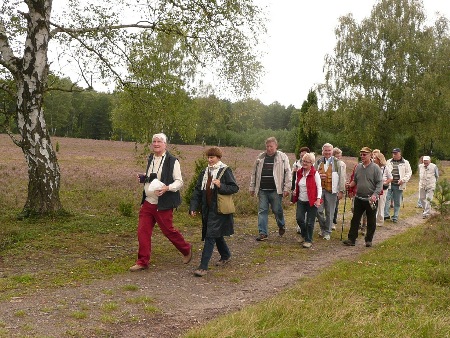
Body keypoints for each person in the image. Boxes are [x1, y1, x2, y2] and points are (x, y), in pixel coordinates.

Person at [129, 133, 192, 272]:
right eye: (154, 141)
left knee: (168, 231)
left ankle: (186, 249)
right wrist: (144, 178)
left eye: (159, 141)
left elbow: (179, 182)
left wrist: (167, 188)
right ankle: (142, 261)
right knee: (142, 232)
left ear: (165, 144)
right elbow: (154, 177)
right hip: (148, 202)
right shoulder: (151, 158)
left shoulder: (172, 161)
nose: (156, 144)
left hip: (163, 204)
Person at [189, 147, 239, 277]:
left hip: (219, 210)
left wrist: (221, 186)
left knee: (210, 236)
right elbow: (197, 191)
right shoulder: (204, 172)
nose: (209, 160)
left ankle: (203, 267)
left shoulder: (225, 170)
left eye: (212, 157)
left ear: (218, 158)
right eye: (208, 157)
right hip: (207, 210)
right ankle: (226, 255)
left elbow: (234, 188)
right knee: (215, 234)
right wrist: (193, 207)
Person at [249, 137, 292, 241]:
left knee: (277, 210)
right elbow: (254, 173)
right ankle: (263, 233)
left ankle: (281, 225)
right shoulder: (260, 157)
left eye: (271, 146)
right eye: (267, 146)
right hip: (262, 189)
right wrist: (252, 187)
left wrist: (287, 188)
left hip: (276, 190)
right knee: (262, 210)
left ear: (276, 146)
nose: (269, 148)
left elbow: (288, 173)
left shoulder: (282, 157)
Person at [343, 147, 383, 247]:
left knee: (371, 220)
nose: (362, 156)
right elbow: (355, 181)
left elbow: (379, 183)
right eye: (361, 154)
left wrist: (375, 195)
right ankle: (351, 239)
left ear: (370, 155)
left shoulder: (376, 168)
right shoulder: (358, 167)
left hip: (370, 199)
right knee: (355, 219)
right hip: (359, 198)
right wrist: (349, 185)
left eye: (364, 154)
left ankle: (368, 239)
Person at [314, 143, 346, 240]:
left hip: (332, 191)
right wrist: (319, 176)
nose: (327, 152)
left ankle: (327, 232)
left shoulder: (338, 163)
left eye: (329, 151)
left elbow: (342, 178)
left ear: (332, 151)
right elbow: (314, 175)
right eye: (325, 150)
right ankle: (323, 228)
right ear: (322, 151)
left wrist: (341, 191)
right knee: (318, 211)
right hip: (320, 191)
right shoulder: (318, 162)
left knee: (330, 212)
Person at [292, 153, 322, 248]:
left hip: (312, 201)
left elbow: (319, 187)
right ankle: (304, 235)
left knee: (310, 222)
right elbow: (297, 183)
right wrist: (295, 192)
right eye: (303, 161)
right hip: (301, 200)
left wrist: (318, 199)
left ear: (312, 163)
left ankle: (308, 240)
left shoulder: (315, 173)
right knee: (299, 218)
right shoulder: (299, 172)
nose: (304, 163)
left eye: (307, 162)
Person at [384, 148, 412, 223]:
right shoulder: (389, 161)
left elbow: (409, 173)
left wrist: (403, 180)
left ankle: (395, 216)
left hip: (398, 184)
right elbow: (385, 171)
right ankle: (386, 215)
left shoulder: (405, 162)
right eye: (393, 153)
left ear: (400, 154)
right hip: (389, 184)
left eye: (396, 153)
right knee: (386, 199)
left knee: (397, 201)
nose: (394, 155)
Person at [292, 146, 310, 234]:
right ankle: (300, 226)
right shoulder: (296, 163)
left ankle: (305, 227)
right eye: (301, 154)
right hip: (298, 188)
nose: (302, 156)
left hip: (308, 190)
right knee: (299, 211)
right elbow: (293, 177)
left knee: (307, 211)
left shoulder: (311, 164)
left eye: (304, 155)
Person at [373, 152, 393, 226]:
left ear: (379, 159)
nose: (373, 159)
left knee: (381, 204)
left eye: (375, 158)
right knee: (373, 204)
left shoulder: (385, 168)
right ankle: (372, 219)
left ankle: (379, 221)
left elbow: (390, 178)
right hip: (374, 188)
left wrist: (385, 182)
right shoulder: (373, 166)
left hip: (383, 189)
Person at [332, 147, 347, 230]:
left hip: (338, 188)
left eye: (340, 156)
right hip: (332, 187)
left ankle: (333, 221)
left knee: (336, 205)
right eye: (337, 156)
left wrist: (343, 188)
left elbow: (343, 176)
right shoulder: (331, 163)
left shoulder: (342, 164)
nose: (339, 158)